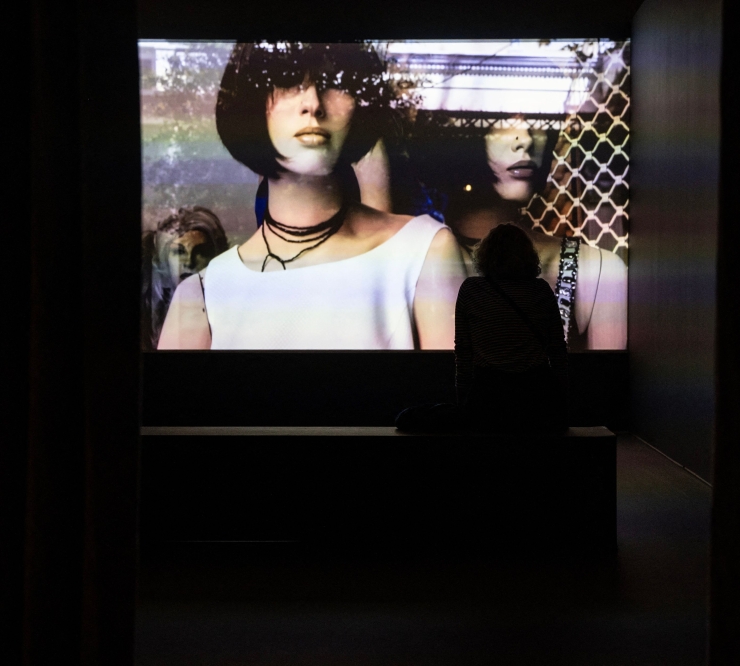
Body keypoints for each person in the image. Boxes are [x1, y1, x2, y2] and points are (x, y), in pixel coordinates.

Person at [157, 42, 466, 350]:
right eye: (287, 78)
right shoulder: (202, 297)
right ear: (251, 103)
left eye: (335, 81)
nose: (313, 103)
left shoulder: (424, 252)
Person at [414, 115, 627, 350]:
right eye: (502, 119)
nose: (524, 140)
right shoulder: (410, 262)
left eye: (537, 120)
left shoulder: (596, 270)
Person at [455, 224, 569, 431]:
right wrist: (562, 393)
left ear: (485, 255)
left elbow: (463, 349)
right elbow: (557, 348)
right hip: (535, 393)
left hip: (487, 393)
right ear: (527, 254)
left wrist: (463, 397)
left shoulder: (472, 289)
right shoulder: (540, 290)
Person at [141, 206, 228, 350]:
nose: (189, 262)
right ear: (165, 258)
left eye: (200, 252)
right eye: (179, 252)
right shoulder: (149, 310)